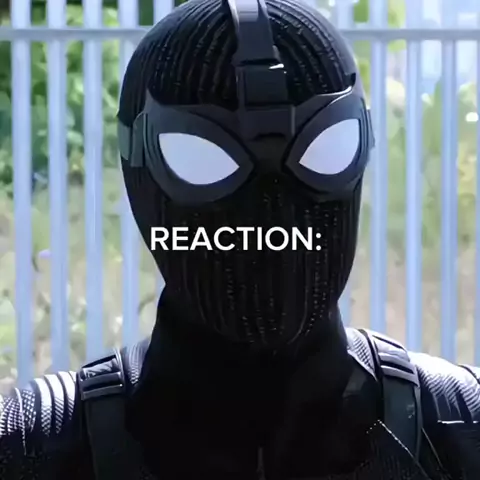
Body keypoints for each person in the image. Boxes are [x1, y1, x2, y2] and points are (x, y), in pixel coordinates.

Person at [1, 0, 479, 478]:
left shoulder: (463, 427)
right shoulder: (30, 447)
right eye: (203, 158)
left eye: (322, 150)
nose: (274, 217)